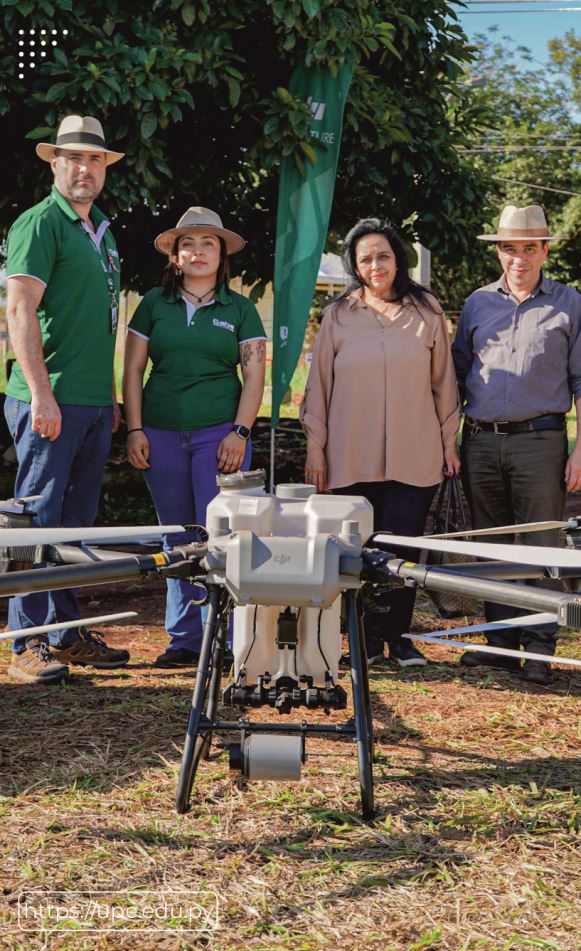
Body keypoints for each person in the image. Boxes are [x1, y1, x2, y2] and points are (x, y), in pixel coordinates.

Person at [300, 218, 461, 666]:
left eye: (383, 256)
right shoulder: (339, 315)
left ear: (397, 260)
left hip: (416, 451)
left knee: (405, 546)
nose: (376, 265)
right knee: (359, 548)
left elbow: (444, 383)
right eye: (365, 258)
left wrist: (450, 442)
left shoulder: (426, 311)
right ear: (355, 264)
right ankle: (365, 639)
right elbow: (320, 387)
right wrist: (316, 445)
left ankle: (401, 637)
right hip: (351, 453)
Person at [452, 204, 581, 684]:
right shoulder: (476, 304)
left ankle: (539, 645)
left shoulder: (568, 303)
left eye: (529, 248)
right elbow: (454, 377)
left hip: (541, 440)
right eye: (509, 248)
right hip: (480, 441)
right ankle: (500, 642)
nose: (519, 257)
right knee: (490, 544)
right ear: (498, 251)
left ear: (544, 250)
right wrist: (447, 441)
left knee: (539, 543)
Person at [5, 115, 128, 684]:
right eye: (73, 158)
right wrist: (41, 394)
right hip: (48, 400)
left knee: (75, 525)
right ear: (54, 163)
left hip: (91, 403)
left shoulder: (99, 228)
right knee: (35, 522)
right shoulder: (39, 223)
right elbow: (19, 311)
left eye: (95, 160)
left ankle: (65, 633)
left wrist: (109, 399)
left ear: (105, 169)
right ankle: (24, 640)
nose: (84, 168)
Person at [123, 207, 267, 667]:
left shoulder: (241, 308)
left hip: (219, 436)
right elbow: (132, 370)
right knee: (175, 536)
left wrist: (240, 432)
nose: (198, 251)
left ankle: (222, 637)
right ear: (176, 256)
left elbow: (255, 374)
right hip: (160, 433)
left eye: (209, 243)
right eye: (189, 243)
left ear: (222, 254)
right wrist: (135, 428)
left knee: (220, 536)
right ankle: (183, 638)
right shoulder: (152, 303)